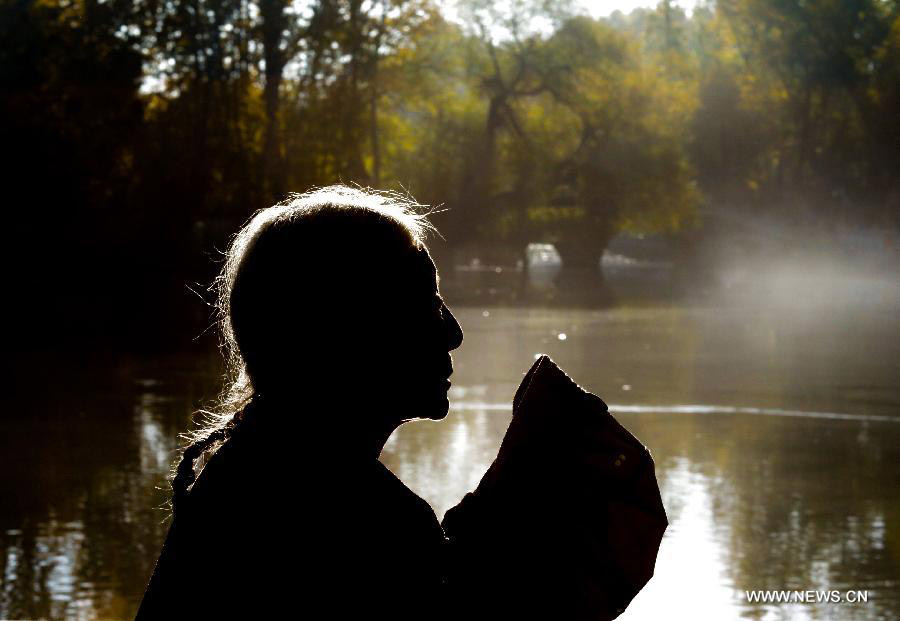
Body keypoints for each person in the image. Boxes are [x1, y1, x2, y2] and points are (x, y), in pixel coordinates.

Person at [135, 185, 463, 619]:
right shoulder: (370, 528)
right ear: (350, 330)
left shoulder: (239, 477)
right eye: (427, 308)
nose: (453, 334)